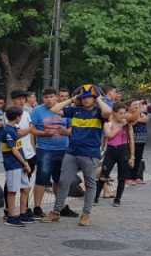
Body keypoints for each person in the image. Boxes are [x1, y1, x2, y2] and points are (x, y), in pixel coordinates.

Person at [43, 85, 113, 226]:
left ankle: (86, 214)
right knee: (63, 181)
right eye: (84, 97)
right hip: (72, 152)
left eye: (89, 97)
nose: (86, 100)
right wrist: (73, 98)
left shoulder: (99, 112)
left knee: (90, 184)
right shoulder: (75, 110)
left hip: (90, 154)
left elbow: (108, 112)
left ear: (94, 99)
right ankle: (56, 212)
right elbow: (54, 110)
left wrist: (98, 98)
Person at [30, 88, 78, 218]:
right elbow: (32, 129)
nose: (49, 99)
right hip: (45, 149)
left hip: (63, 149)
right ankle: (37, 207)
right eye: (46, 97)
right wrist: (43, 133)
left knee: (60, 180)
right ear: (42, 99)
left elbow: (72, 128)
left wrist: (66, 132)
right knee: (42, 178)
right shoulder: (37, 111)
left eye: (51, 96)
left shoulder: (65, 110)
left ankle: (59, 207)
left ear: (56, 97)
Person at [95, 103, 135, 207]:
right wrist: (120, 126)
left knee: (122, 177)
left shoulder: (127, 124)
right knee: (103, 175)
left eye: (124, 113)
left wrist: (132, 156)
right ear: (114, 113)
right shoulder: (108, 123)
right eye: (120, 113)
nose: (123, 115)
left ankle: (118, 199)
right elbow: (109, 135)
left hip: (123, 150)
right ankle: (95, 197)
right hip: (111, 150)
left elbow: (131, 140)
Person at [1, 107, 32, 227]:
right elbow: (13, 150)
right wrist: (25, 162)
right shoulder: (8, 130)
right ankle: (11, 216)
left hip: (19, 164)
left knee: (26, 188)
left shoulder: (14, 128)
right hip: (12, 164)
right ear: (18, 117)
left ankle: (22, 213)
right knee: (12, 191)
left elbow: (19, 144)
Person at [8, 90, 37, 221]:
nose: (21, 101)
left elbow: (30, 133)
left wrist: (33, 148)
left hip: (28, 153)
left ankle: (23, 211)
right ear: (13, 100)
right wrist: (30, 129)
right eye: (18, 99)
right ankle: (10, 212)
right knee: (12, 187)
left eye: (23, 99)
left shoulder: (26, 113)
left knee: (26, 186)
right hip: (15, 155)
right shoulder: (9, 114)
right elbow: (16, 133)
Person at [128, 99, 149, 185]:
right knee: (131, 158)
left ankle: (136, 177)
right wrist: (137, 118)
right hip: (132, 140)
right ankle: (129, 177)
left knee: (139, 159)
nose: (137, 107)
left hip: (141, 139)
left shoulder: (143, 114)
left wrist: (138, 118)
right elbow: (132, 123)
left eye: (138, 105)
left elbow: (146, 120)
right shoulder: (129, 114)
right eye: (135, 105)